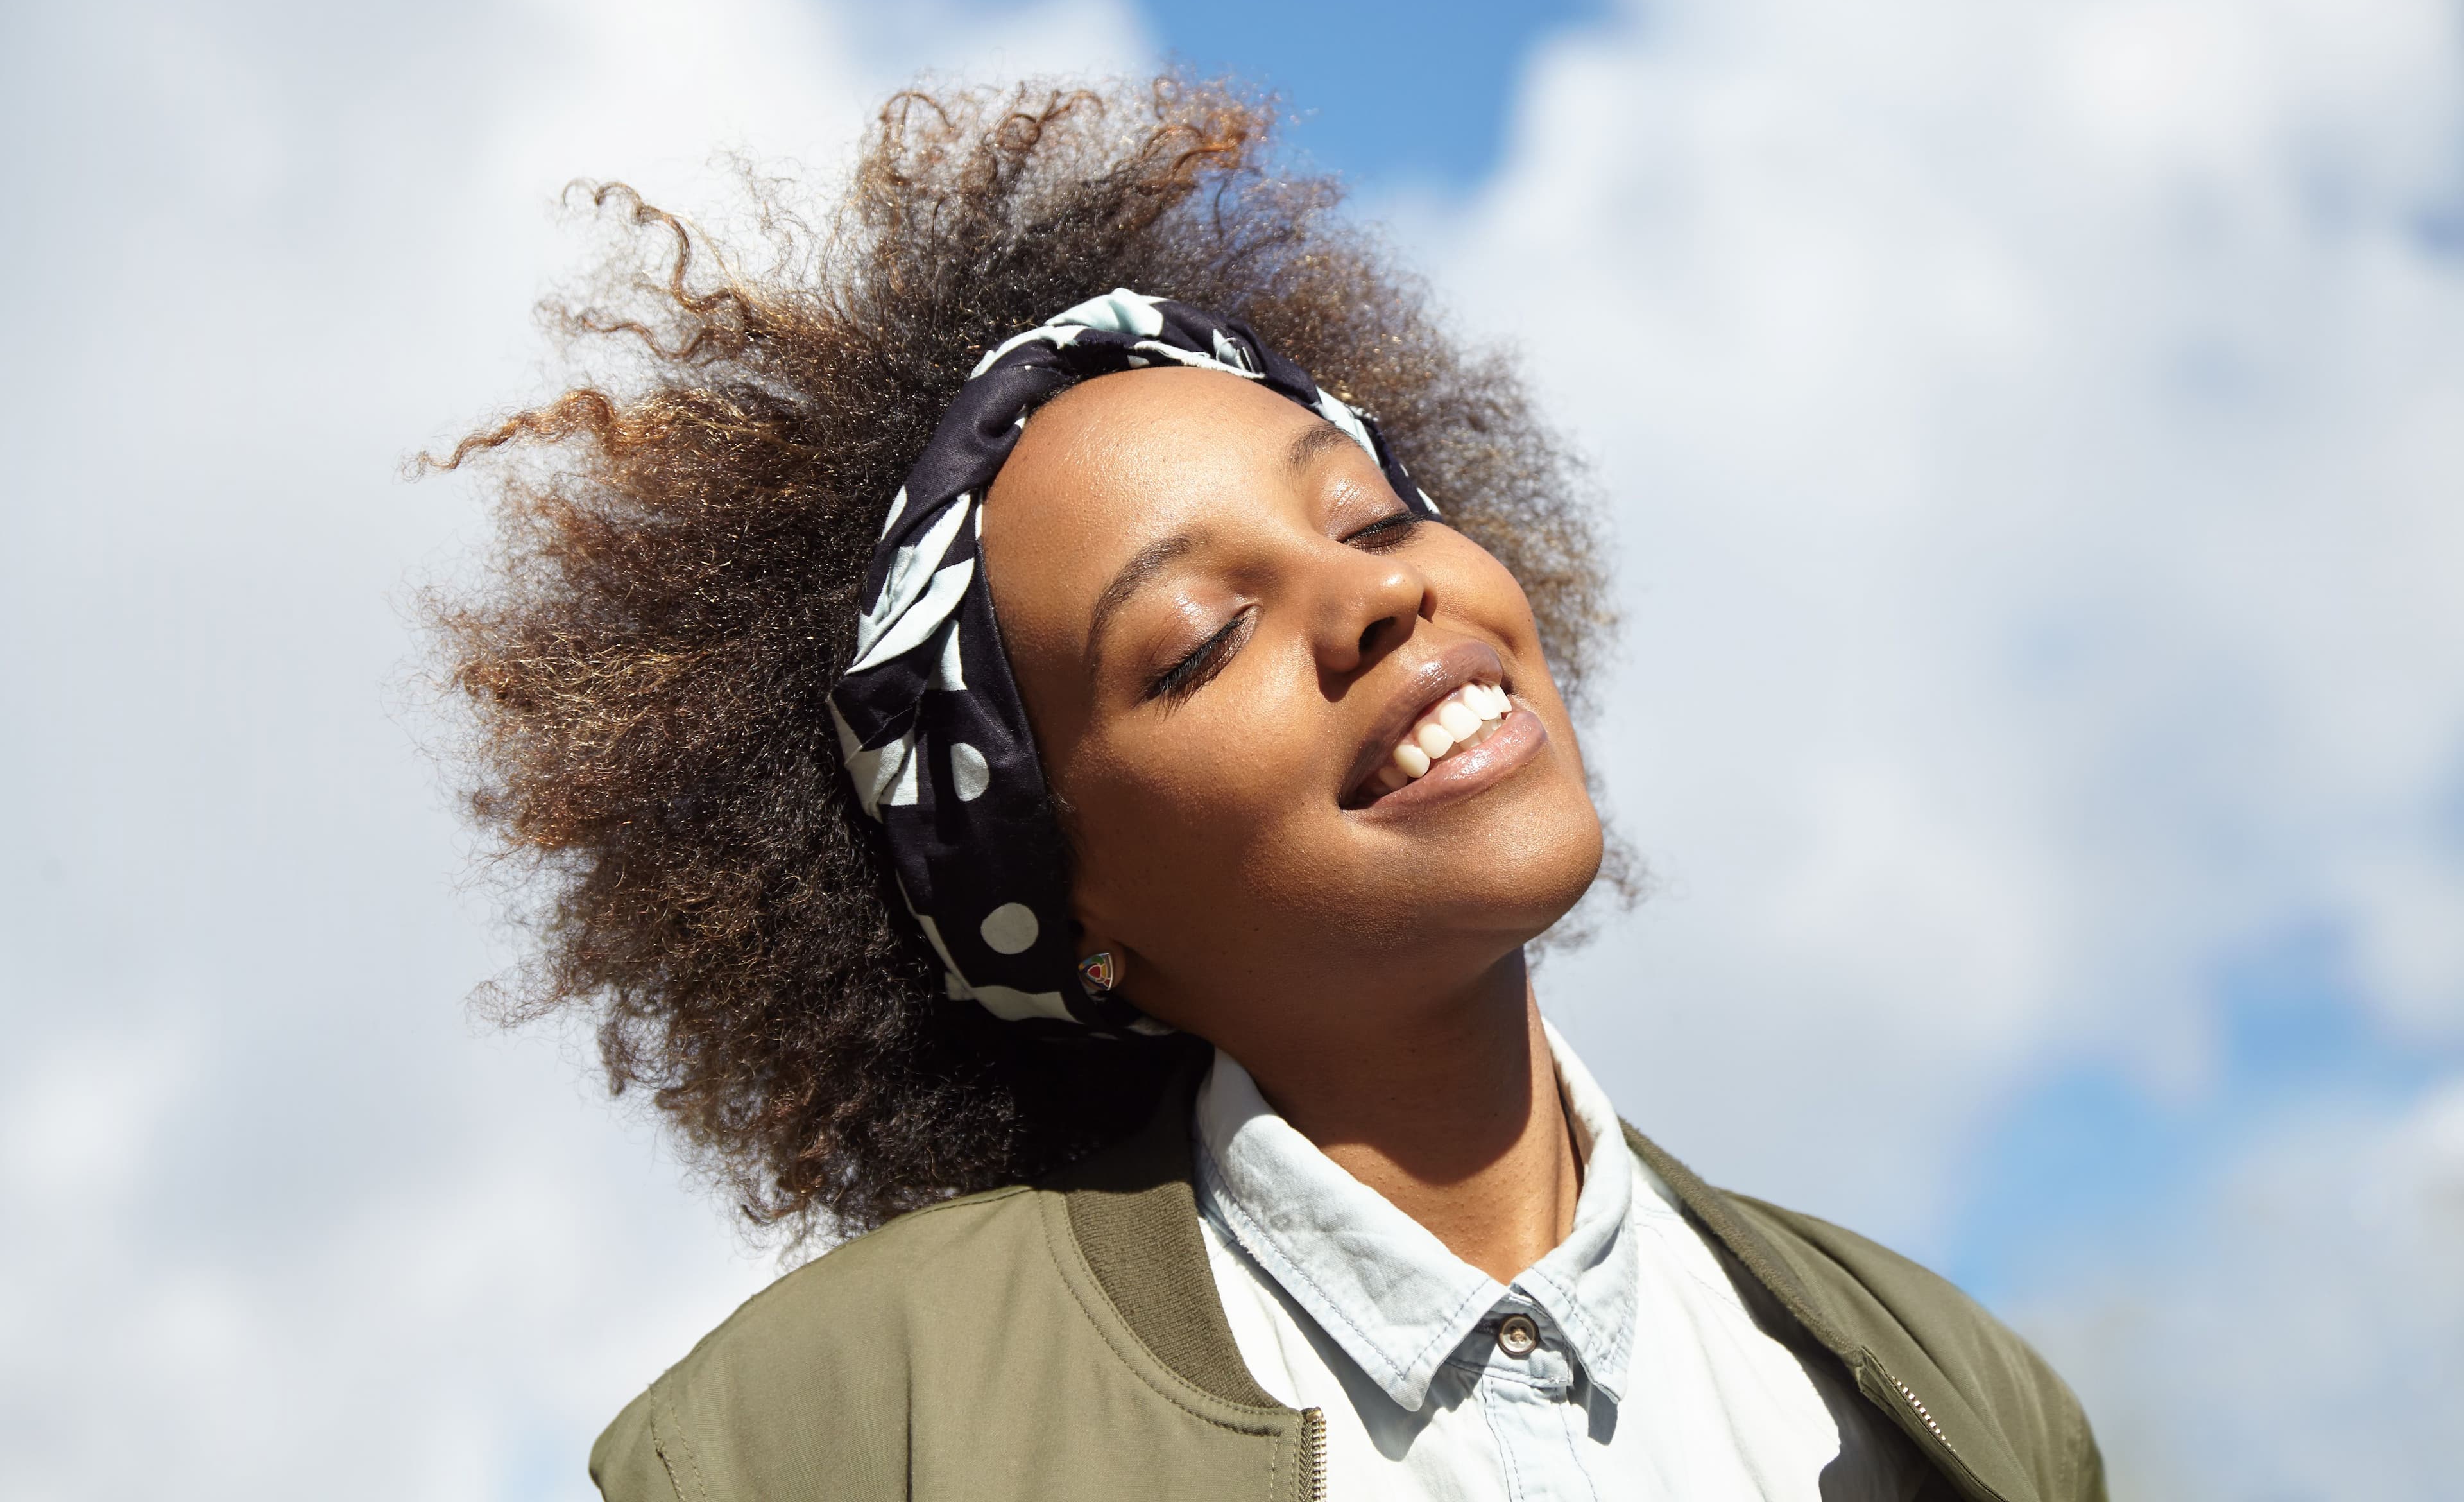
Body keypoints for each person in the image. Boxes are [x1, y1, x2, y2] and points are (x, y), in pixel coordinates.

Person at [431, 80, 2105, 1502]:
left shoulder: (1952, 1402)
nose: (1381, 594)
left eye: (1374, 516)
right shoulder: (844, 1436)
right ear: (1064, 906)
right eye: (1197, 640)